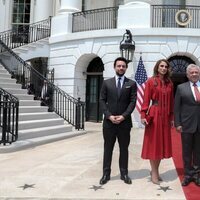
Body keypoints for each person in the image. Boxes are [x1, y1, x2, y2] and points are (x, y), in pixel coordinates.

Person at [99, 57, 137, 185]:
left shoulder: (131, 84)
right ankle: (106, 174)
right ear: (114, 67)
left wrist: (124, 116)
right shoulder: (107, 83)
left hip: (124, 123)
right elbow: (102, 100)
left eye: (123, 66)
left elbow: (133, 102)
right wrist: (109, 116)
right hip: (109, 123)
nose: (121, 68)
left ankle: (124, 173)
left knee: (124, 149)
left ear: (126, 68)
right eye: (119, 66)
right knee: (108, 148)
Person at [140, 59, 174, 185]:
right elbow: (145, 100)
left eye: (166, 66)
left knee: (161, 145)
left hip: (165, 115)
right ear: (157, 67)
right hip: (154, 114)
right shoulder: (151, 81)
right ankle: (154, 172)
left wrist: (172, 118)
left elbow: (172, 102)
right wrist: (143, 114)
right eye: (161, 66)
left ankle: (156, 170)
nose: (164, 68)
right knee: (154, 144)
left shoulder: (169, 83)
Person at [174, 64, 200, 187]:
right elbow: (177, 108)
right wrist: (178, 123)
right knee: (186, 151)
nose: (194, 74)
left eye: (196, 72)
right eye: (192, 73)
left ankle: (196, 175)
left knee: (198, 151)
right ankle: (188, 175)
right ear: (188, 74)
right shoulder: (181, 88)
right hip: (186, 125)